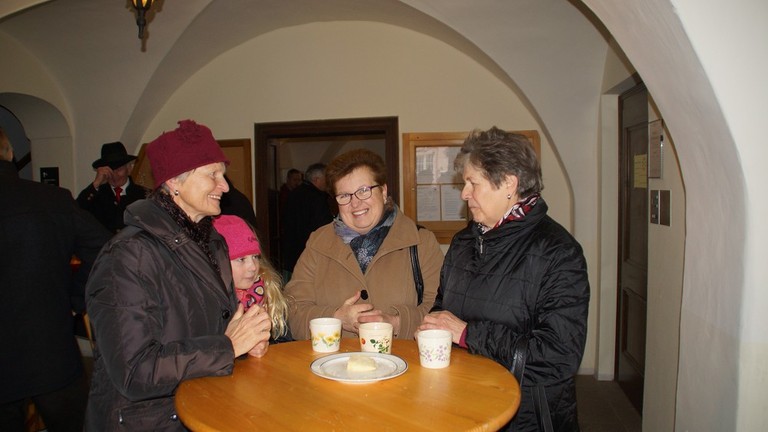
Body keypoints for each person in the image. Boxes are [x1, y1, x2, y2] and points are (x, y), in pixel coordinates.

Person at [84, 120, 272, 431]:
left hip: (201, 403)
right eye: (212, 175)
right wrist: (227, 347)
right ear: (174, 181)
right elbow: (134, 371)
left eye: (223, 175)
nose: (225, 186)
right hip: (146, 421)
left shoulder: (211, 242)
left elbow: (212, 329)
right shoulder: (128, 256)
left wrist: (244, 344)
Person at [418, 127, 590, 432]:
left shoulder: (558, 253)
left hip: (526, 417)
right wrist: (435, 327)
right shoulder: (463, 242)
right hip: (463, 404)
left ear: (509, 183)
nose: (464, 194)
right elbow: (444, 307)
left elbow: (558, 358)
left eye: (473, 183)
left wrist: (468, 334)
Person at [0, 127, 111, 431]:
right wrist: (74, 296)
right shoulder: (52, 199)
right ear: (10, 153)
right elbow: (105, 249)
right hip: (49, 349)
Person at [285, 149, 444, 341]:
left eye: (363, 191)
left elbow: (441, 311)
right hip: (334, 360)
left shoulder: (421, 242)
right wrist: (336, 319)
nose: (355, 203)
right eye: (345, 195)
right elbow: (293, 312)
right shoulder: (318, 243)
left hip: (403, 359)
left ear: (383, 192)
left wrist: (396, 323)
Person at [213, 215, 292, 343]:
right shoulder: (209, 302)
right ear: (217, 263)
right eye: (241, 259)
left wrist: (264, 346)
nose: (253, 267)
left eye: (255, 257)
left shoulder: (268, 291)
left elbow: (284, 340)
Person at [76, 141, 150, 233]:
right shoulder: (95, 195)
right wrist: (96, 183)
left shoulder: (145, 195)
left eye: (119, 170)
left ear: (129, 169)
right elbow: (75, 212)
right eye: (109, 171)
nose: (114, 176)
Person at [280, 163, 334, 277]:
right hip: (310, 254)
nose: (328, 182)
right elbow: (323, 228)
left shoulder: (293, 194)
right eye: (326, 179)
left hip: (291, 251)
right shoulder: (318, 199)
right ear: (317, 180)